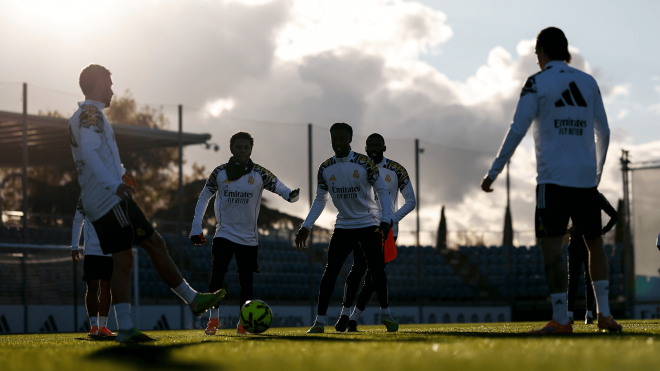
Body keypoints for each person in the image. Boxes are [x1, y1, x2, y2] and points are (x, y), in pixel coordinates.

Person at [69, 64, 226, 343]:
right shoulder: (90, 114)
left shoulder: (87, 115)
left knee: (152, 244)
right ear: (96, 84)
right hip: (107, 201)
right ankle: (128, 328)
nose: (112, 90)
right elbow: (91, 153)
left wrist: (120, 171)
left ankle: (191, 300)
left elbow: (96, 154)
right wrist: (113, 183)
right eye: (108, 83)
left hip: (108, 198)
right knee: (126, 257)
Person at [481, 27, 622, 334]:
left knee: (551, 248)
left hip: (552, 182)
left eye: (536, 54)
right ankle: (605, 314)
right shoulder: (588, 82)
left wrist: (494, 171)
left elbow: (517, 129)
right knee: (595, 244)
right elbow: (605, 132)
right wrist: (595, 173)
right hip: (586, 181)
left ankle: (561, 319)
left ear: (542, 51)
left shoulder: (537, 82)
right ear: (566, 50)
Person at [189, 131, 300, 335]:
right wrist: (196, 227)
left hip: (249, 239)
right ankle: (213, 320)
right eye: (238, 147)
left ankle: (243, 323)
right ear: (231, 148)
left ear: (251, 150)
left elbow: (277, 185)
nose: (242, 150)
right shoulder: (220, 173)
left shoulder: (259, 173)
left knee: (246, 283)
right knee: (216, 278)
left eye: (246, 147)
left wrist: (289, 195)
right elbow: (204, 197)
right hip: (224, 234)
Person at [295, 122, 398, 333]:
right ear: (331, 139)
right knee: (330, 271)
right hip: (344, 225)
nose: (338, 142)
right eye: (335, 138)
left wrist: (386, 220)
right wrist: (306, 225)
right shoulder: (325, 168)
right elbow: (320, 199)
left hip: (368, 223)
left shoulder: (364, 162)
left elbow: (383, 192)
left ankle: (386, 314)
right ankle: (320, 322)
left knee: (376, 270)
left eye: (343, 138)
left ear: (350, 140)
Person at [335, 133, 416, 332]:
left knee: (374, 275)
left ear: (384, 148)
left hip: (388, 231)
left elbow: (411, 201)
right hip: (361, 227)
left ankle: (354, 318)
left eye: (377, 145)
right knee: (358, 268)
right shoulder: (357, 168)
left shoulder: (396, 170)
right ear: (365, 147)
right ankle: (345, 316)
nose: (373, 148)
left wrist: (390, 220)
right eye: (369, 145)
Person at [566, 193, 617, 325]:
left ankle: (570, 315)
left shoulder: (573, 196)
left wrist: (568, 230)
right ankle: (589, 315)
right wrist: (602, 231)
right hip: (592, 241)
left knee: (573, 279)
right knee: (589, 280)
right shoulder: (596, 196)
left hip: (577, 241)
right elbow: (614, 216)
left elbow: (559, 218)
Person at [71, 197, 115, 337]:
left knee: (106, 286)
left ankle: (103, 327)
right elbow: (78, 220)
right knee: (92, 287)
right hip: (91, 251)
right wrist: (74, 246)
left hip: (109, 250)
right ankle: (94, 326)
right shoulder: (85, 195)